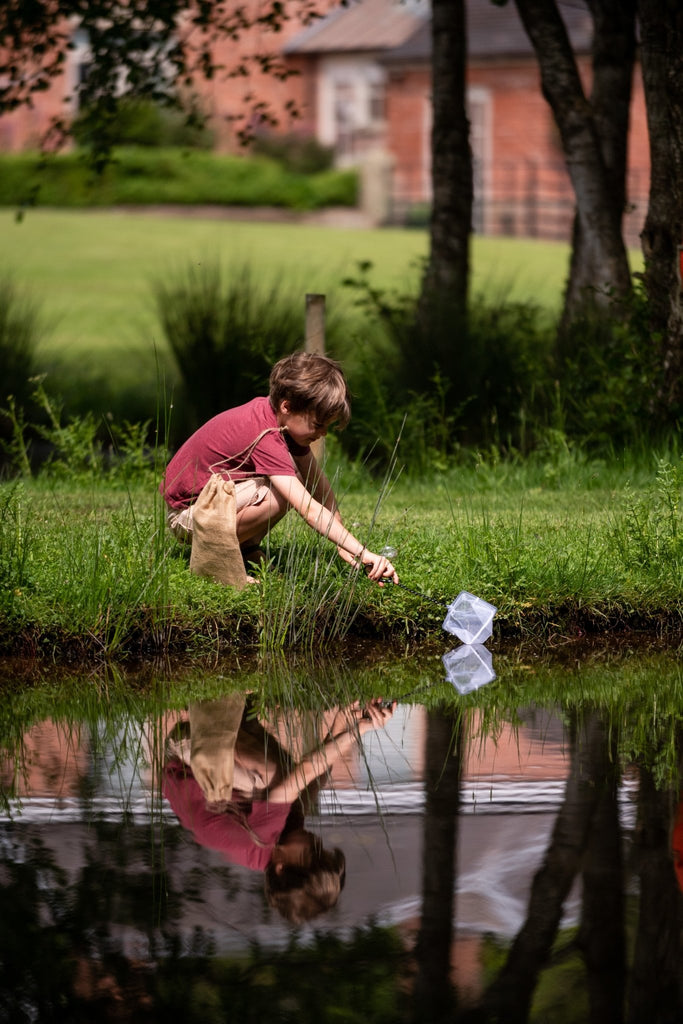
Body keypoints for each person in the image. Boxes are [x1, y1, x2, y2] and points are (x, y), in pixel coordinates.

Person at [160, 351, 399, 584]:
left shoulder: (281, 423)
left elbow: (318, 485)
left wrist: (342, 542)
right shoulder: (266, 433)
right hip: (187, 516)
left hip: (205, 506)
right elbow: (309, 510)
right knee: (280, 495)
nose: (323, 433)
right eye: (317, 425)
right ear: (287, 407)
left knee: (291, 480)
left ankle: (245, 548)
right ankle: (217, 560)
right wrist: (364, 552)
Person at [161, 695, 396, 924]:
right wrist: (346, 719)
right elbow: (315, 777)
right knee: (299, 792)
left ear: (281, 868)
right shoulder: (284, 844)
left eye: (311, 853)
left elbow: (304, 771)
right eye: (321, 849)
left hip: (187, 753)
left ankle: (221, 700)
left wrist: (359, 731)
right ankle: (243, 708)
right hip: (214, 762)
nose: (316, 842)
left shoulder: (261, 841)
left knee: (278, 778)